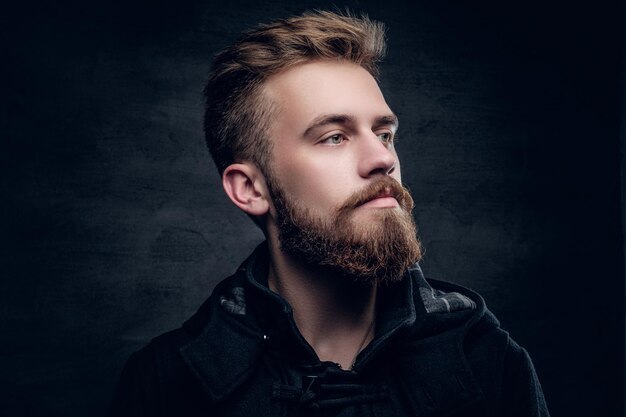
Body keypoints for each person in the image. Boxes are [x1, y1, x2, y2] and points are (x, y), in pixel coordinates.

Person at [109, 10, 549, 417]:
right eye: (335, 137)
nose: (381, 158)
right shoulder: (165, 385)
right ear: (250, 188)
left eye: (384, 133)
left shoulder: (490, 364)